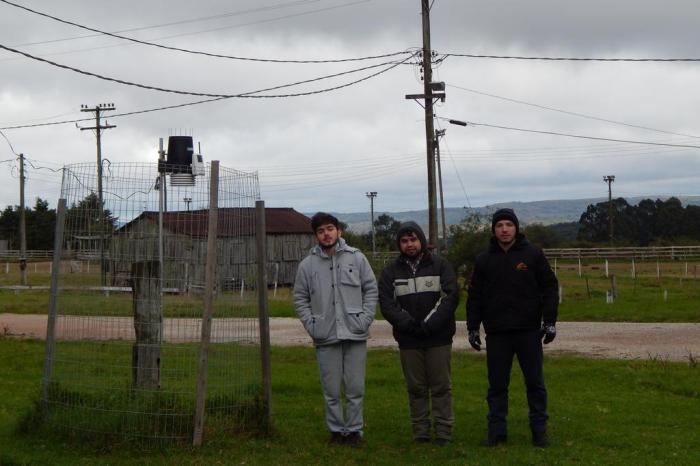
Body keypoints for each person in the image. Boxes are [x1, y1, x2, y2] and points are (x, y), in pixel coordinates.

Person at [466, 208, 558, 448]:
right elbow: (474, 296)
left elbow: (549, 287)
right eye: (499, 225)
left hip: (528, 331)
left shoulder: (533, 255)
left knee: (535, 384)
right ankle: (496, 433)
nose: (504, 229)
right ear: (493, 230)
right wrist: (473, 328)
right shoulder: (484, 259)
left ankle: (539, 432)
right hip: (497, 333)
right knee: (497, 385)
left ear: (516, 228)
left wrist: (549, 322)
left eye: (508, 224)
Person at [293, 212, 378, 447]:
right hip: (325, 334)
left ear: (339, 231)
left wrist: (365, 318)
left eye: (330, 228)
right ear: (315, 236)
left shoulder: (357, 258)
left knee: (355, 387)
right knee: (331, 389)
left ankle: (354, 431)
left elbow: (371, 289)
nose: (326, 234)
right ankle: (336, 430)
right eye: (321, 231)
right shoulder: (307, 265)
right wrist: (312, 325)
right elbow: (300, 298)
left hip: (355, 332)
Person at [378, 221, 459, 445]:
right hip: (409, 339)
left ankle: (443, 432)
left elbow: (450, 297)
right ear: (399, 244)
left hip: (438, 337)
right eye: (404, 241)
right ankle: (421, 433)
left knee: (441, 387)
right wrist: (409, 324)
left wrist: (430, 324)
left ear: (421, 241)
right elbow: (387, 304)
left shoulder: (441, 265)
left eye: (413, 239)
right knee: (416, 389)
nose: (409, 244)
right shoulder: (390, 272)